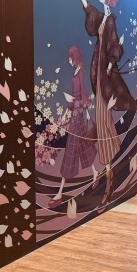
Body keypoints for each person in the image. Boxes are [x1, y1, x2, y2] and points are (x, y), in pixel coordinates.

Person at [59, 0, 137, 210]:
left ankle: (109, 183)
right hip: (100, 81)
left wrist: (110, 69)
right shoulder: (102, 19)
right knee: (103, 126)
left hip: (105, 82)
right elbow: (88, 10)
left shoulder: (110, 20)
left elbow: (115, 49)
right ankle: (108, 176)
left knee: (104, 127)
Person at [48, 46, 98, 209]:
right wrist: (66, 112)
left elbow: (83, 93)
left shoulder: (80, 72)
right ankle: (95, 172)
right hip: (75, 114)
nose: (68, 60)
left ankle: (60, 193)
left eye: (70, 57)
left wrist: (86, 111)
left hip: (78, 115)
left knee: (70, 151)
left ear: (74, 57)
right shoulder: (76, 72)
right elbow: (75, 96)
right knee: (83, 145)